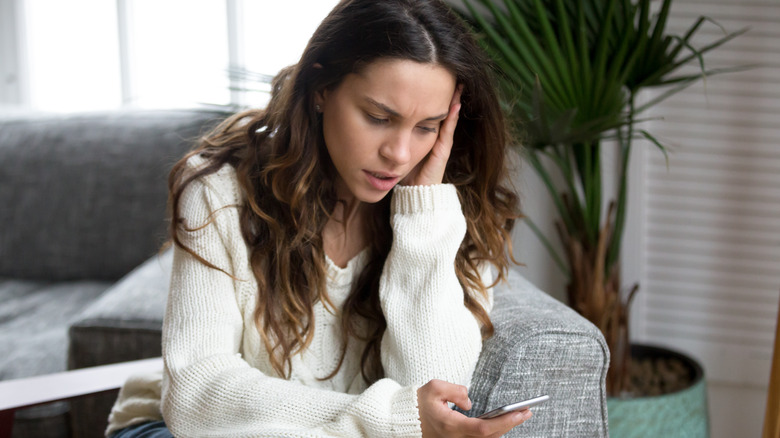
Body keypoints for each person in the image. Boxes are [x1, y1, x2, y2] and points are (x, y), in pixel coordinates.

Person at [105, 0, 527, 436]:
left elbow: (434, 398)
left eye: (428, 127)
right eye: (379, 117)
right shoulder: (220, 188)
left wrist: (421, 216)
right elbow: (197, 396)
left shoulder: (446, 214)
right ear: (322, 88)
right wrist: (387, 420)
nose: (399, 154)